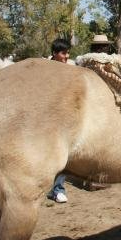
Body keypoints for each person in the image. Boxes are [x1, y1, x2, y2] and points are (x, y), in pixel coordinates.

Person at [48, 38, 72, 203]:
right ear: (55, 54)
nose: (67, 56)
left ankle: (57, 189)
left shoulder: (69, 70)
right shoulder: (46, 70)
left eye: (67, 52)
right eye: (63, 53)